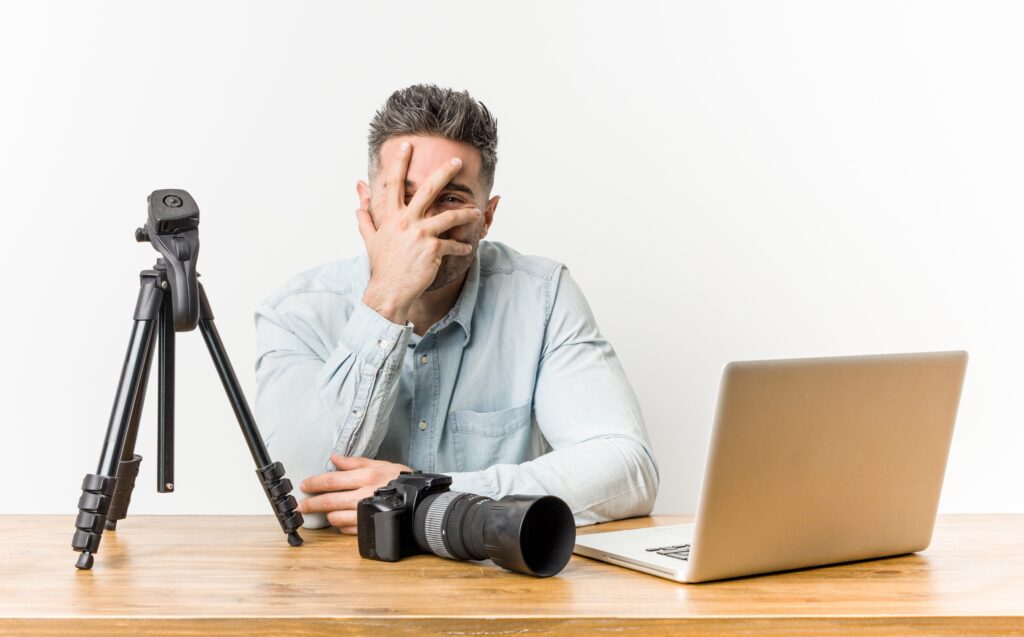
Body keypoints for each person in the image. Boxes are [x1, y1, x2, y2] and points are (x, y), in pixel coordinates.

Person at [254, 84, 659, 533]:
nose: (422, 223)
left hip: (501, 586)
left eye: (450, 198)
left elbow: (627, 469)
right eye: (405, 196)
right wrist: (387, 297)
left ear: (487, 216)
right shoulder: (296, 313)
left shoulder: (541, 297)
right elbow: (301, 501)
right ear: (366, 203)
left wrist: (430, 497)